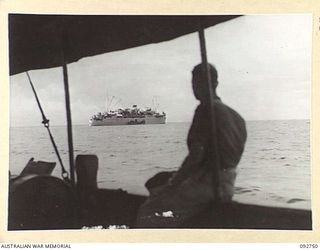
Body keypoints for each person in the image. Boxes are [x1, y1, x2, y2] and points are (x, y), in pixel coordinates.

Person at [136, 63, 247, 228]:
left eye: (197, 82)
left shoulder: (204, 110)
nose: (194, 87)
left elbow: (196, 155)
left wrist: (173, 183)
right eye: (193, 82)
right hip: (228, 186)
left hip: (207, 187)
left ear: (213, 83)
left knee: (147, 212)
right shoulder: (237, 117)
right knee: (159, 179)